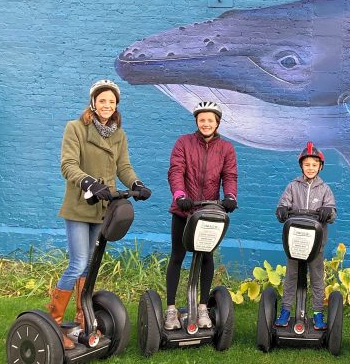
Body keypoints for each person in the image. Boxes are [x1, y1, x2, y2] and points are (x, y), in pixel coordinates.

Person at [54, 79, 151, 349]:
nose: (107, 105)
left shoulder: (119, 134)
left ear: (116, 104)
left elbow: (124, 166)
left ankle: (81, 319)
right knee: (78, 263)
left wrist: (136, 184)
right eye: (102, 100)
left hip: (103, 208)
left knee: (89, 265)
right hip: (79, 205)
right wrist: (89, 182)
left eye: (111, 101)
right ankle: (54, 321)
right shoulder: (75, 128)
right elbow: (68, 165)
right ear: (93, 103)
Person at [165, 101, 238, 330]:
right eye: (202, 119)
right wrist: (179, 195)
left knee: (206, 257)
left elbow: (230, 175)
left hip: (208, 213)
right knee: (177, 256)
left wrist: (231, 197)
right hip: (184, 210)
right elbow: (176, 170)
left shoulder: (226, 148)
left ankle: (203, 307)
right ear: (197, 121)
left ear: (217, 123)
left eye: (210, 120)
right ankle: (171, 309)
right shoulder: (183, 143)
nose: (206, 123)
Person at [274, 142, 337, 330]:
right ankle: (286, 310)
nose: (310, 168)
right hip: (295, 243)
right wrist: (282, 209)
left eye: (314, 165)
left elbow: (332, 212)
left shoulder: (325, 189)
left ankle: (318, 313)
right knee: (291, 277)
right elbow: (283, 203)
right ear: (302, 165)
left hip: (316, 245)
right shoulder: (293, 186)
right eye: (307, 164)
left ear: (320, 167)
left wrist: (328, 211)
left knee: (317, 278)